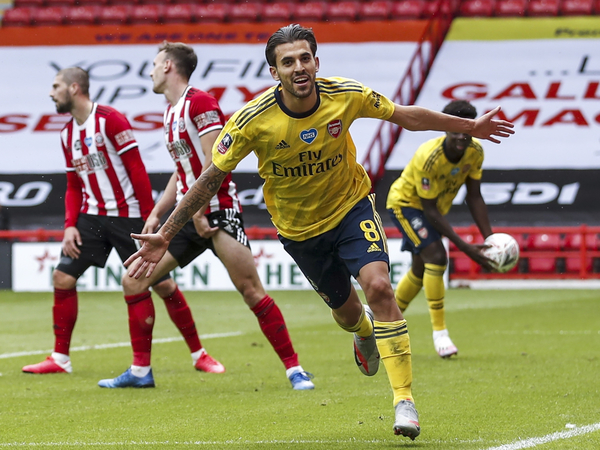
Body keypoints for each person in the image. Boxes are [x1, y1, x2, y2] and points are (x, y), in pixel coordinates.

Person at [123, 25, 514, 439]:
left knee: (380, 287)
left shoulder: (344, 93)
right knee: (347, 315)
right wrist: (166, 232)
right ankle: (363, 331)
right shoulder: (251, 121)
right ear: (275, 72)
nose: (298, 67)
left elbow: (405, 115)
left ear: (316, 62)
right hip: (300, 231)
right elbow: (209, 178)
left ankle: (404, 400)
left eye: (305, 58)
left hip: (351, 209)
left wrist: (468, 127)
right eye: (287, 62)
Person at [97, 42, 314, 391]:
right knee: (134, 280)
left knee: (251, 291)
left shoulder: (201, 102)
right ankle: (140, 372)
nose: (150, 71)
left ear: (168, 66)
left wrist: (199, 211)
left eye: (154, 64)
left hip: (217, 214)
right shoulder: (171, 112)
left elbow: (215, 161)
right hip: (188, 218)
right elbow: (182, 171)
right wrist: (157, 213)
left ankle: (295, 370)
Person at [22, 67, 223, 382]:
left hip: (128, 218)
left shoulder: (110, 120)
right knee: (62, 277)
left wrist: (148, 221)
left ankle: (200, 354)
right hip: (90, 219)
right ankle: (60, 357)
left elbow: (137, 170)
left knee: (162, 284)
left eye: (56, 86)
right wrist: (69, 225)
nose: (51, 93)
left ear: (74, 88)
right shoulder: (66, 134)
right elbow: (74, 185)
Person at [386, 100, 496, 359]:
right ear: (445, 128)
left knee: (420, 268)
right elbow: (429, 210)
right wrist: (465, 247)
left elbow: (475, 197)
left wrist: (491, 239)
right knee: (436, 256)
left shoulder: (475, 152)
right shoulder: (429, 156)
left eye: (466, 130)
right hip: (406, 206)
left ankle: (385, 324)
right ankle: (440, 334)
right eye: (454, 129)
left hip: (432, 211)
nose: (461, 136)